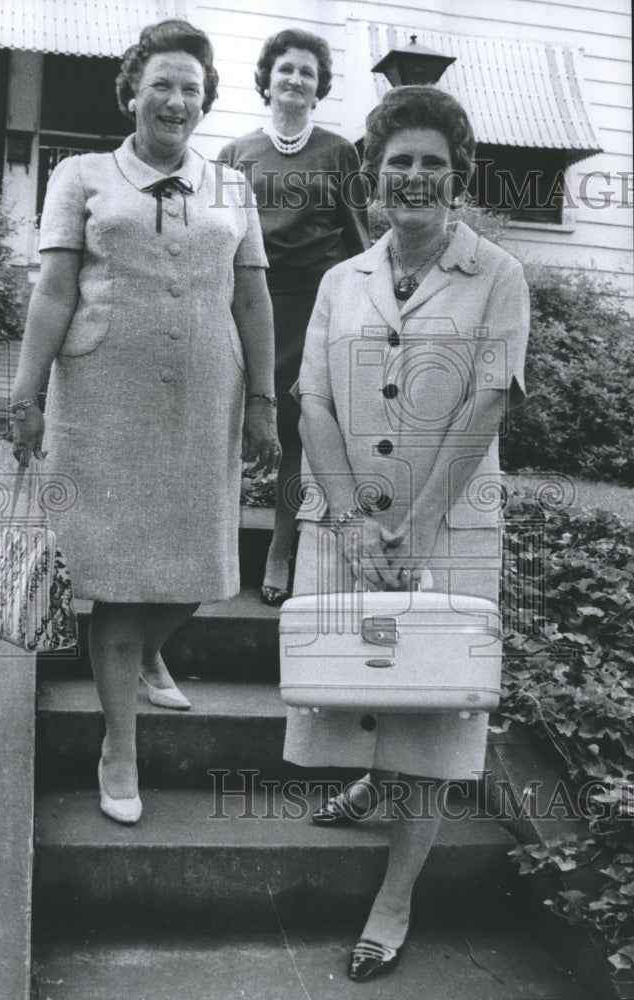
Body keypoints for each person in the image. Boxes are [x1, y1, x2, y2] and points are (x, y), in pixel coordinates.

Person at [283, 85, 529, 981]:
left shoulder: (498, 275)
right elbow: (311, 397)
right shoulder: (337, 280)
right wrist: (349, 516)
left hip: (451, 524)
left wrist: (420, 526)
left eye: (432, 162)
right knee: (356, 674)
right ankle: (370, 781)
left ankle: (395, 898)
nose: (415, 177)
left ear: (457, 175)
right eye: (399, 164)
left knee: (427, 709)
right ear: (376, 181)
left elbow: (490, 398)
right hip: (350, 517)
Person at [10, 19, 279, 825]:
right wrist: (23, 394)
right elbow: (54, 291)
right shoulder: (82, 175)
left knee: (201, 568)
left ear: (206, 102)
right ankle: (118, 746)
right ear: (132, 91)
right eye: (161, 83)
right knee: (119, 586)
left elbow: (253, 296)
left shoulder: (232, 187)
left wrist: (265, 397)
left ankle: (152, 654)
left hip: (206, 396)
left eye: (192, 88)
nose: (176, 100)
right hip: (103, 397)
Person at [218, 29, 369, 606]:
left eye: (307, 72)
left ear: (318, 86)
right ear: (268, 77)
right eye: (286, 69)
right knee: (226, 422)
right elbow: (213, 240)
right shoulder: (233, 155)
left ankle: (281, 550)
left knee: (296, 430)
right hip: (243, 305)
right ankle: (219, 547)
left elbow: (358, 244)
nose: (296, 80)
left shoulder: (339, 153)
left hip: (310, 310)